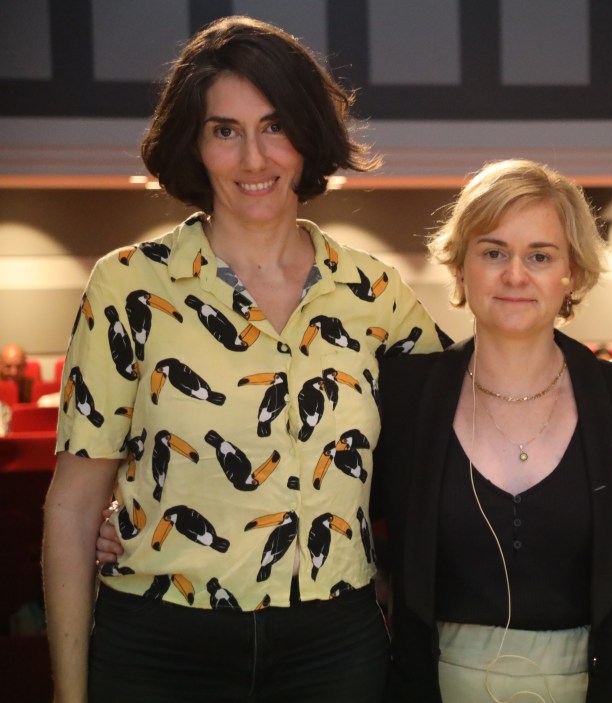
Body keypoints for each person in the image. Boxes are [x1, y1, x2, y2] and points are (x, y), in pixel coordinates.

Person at [42, 16, 447, 703]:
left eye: (275, 126)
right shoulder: (128, 286)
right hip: (159, 644)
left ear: (307, 136)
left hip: (333, 644)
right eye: (225, 131)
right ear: (195, 146)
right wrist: (69, 693)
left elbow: (462, 421)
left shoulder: (375, 292)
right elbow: (74, 505)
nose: (254, 159)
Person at [373, 160, 612, 702]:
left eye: (540, 256)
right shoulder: (403, 398)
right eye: (493, 252)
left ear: (571, 273)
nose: (515, 275)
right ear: (460, 267)